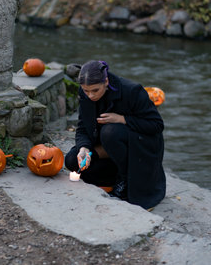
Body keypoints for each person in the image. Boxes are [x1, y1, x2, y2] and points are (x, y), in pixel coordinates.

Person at [64, 60, 166, 210]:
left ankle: (125, 180)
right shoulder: (85, 94)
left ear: (106, 81)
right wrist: (83, 148)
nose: (90, 95)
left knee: (110, 132)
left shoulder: (132, 91)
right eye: (86, 91)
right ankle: (113, 177)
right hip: (109, 148)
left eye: (95, 90)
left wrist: (123, 119)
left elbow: (157, 125)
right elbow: (82, 127)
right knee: (72, 161)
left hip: (140, 146)